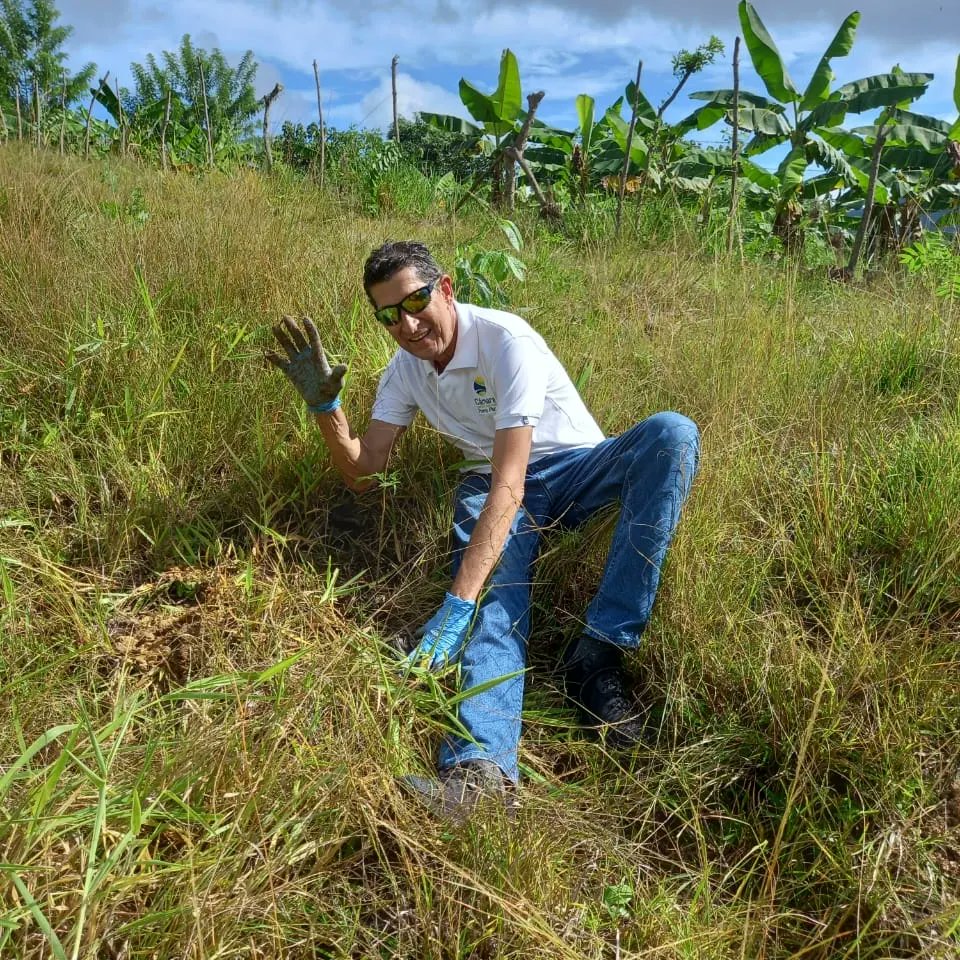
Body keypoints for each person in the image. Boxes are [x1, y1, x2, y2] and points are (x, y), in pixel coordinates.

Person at [267, 240, 699, 817]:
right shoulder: (405, 371)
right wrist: (327, 408)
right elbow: (363, 472)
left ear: (445, 288)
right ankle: (482, 775)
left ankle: (598, 653)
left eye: (416, 301)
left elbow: (512, 482)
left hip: (571, 469)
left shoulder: (504, 340)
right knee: (497, 597)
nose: (409, 324)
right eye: (389, 315)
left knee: (671, 434)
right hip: (488, 482)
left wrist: (456, 601)